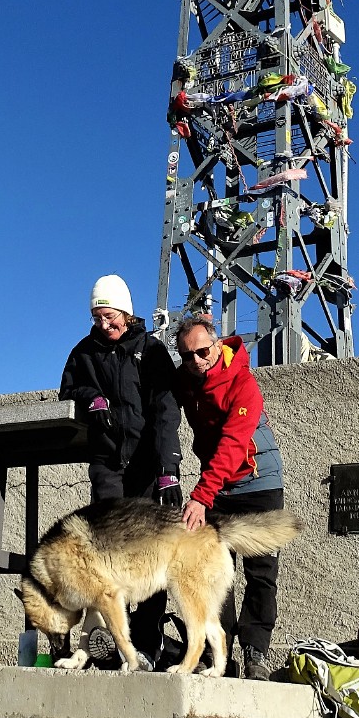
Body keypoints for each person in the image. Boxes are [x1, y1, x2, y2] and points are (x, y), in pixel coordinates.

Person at [59, 274, 183, 667]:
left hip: (148, 466)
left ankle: (148, 641)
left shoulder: (151, 351)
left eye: (109, 316)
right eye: (96, 317)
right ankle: (110, 642)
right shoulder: (84, 352)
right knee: (106, 555)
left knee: (148, 557)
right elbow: (67, 389)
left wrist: (168, 470)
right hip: (109, 463)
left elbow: (166, 412)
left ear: (126, 313)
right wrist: (90, 396)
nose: (103, 325)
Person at [174, 314, 285, 681]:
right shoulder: (186, 380)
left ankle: (256, 653)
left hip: (256, 483)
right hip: (218, 486)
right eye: (186, 355)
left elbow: (234, 443)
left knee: (261, 572)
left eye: (202, 352)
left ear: (217, 345)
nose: (196, 361)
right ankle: (218, 651)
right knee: (211, 573)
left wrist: (201, 496)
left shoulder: (243, 383)